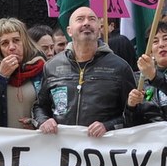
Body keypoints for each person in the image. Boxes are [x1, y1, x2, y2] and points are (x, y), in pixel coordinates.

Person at [36, 7, 136, 136]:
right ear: (69, 31)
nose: (86, 23)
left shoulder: (120, 68)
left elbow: (133, 115)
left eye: (92, 19)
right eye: (80, 19)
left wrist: (108, 126)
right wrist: (43, 121)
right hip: (61, 151)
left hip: (102, 151)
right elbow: (39, 106)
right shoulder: (51, 67)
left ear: (100, 29)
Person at [0, 18, 45, 128]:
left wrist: (36, 123)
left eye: (16, 40)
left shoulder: (41, 68)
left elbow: (48, 107)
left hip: (36, 140)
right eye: (5, 43)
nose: (12, 47)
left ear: (25, 41)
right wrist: (0, 77)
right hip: (2, 141)